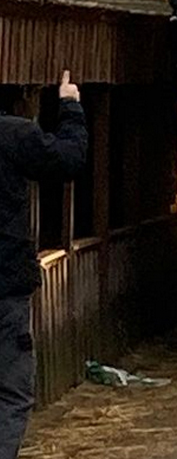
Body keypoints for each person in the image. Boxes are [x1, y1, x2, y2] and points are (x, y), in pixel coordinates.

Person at [0, 71, 87, 459]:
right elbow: (69, 159)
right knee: (10, 393)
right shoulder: (12, 134)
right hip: (5, 289)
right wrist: (69, 105)